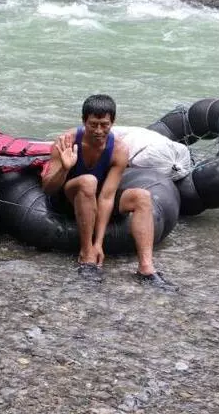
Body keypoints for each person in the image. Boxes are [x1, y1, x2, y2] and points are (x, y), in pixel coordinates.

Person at [41, 94, 176, 290]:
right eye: (93, 124)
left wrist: (100, 243)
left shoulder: (118, 149)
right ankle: (87, 256)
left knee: (142, 197)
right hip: (68, 197)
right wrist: (64, 167)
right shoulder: (67, 142)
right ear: (83, 121)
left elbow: (106, 197)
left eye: (104, 125)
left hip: (97, 198)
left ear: (113, 122)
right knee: (88, 181)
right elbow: (48, 188)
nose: (98, 130)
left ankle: (146, 268)